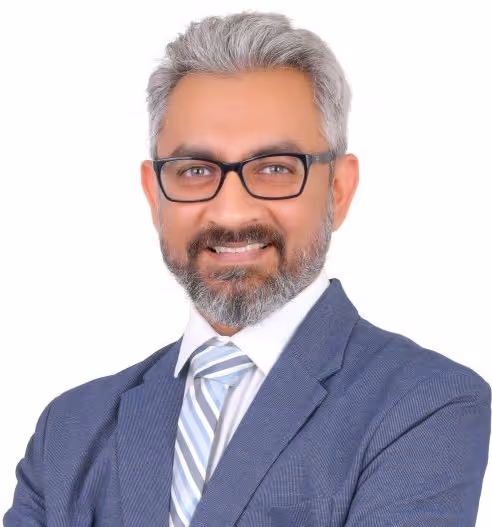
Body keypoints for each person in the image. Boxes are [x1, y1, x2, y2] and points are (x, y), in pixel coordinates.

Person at [4, 11, 491, 527]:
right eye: (195, 170)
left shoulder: (424, 405)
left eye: (275, 168)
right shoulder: (69, 431)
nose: (232, 213)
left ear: (338, 190)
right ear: (154, 194)